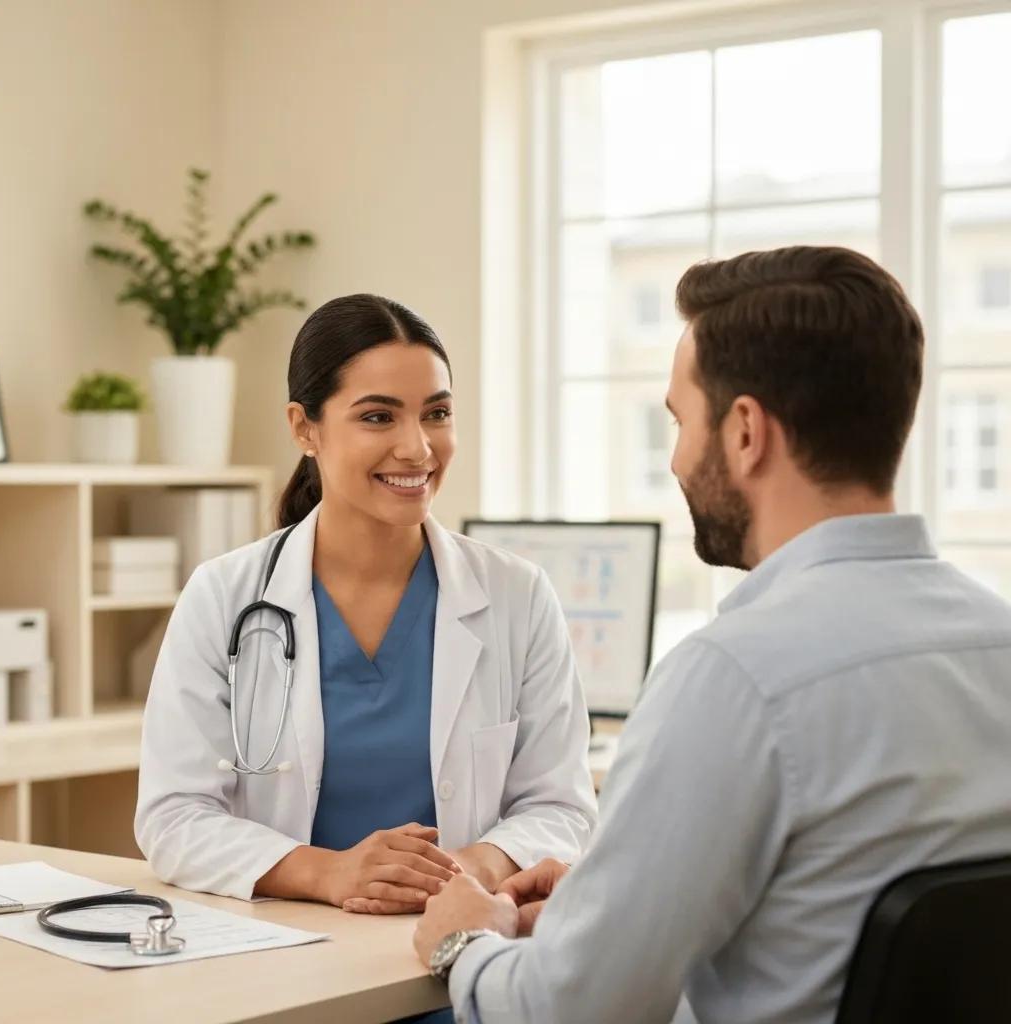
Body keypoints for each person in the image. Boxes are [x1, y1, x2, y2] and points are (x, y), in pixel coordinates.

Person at [413, 246, 1011, 1024]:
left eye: (679, 420)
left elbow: (567, 1014)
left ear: (745, 432)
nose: (675, 457)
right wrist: (605, 913)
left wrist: (465, 943)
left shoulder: (733, 678)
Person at [135, 294, 597, 931]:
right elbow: (174, 818)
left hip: (459, 943)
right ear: (304, 428)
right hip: (285, 946)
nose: (417, 448)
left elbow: (562, 806)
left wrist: (468, 868)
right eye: (378, 417)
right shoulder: (223, 596)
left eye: (436, 413)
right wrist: (329, 872)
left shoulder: (517, 595)